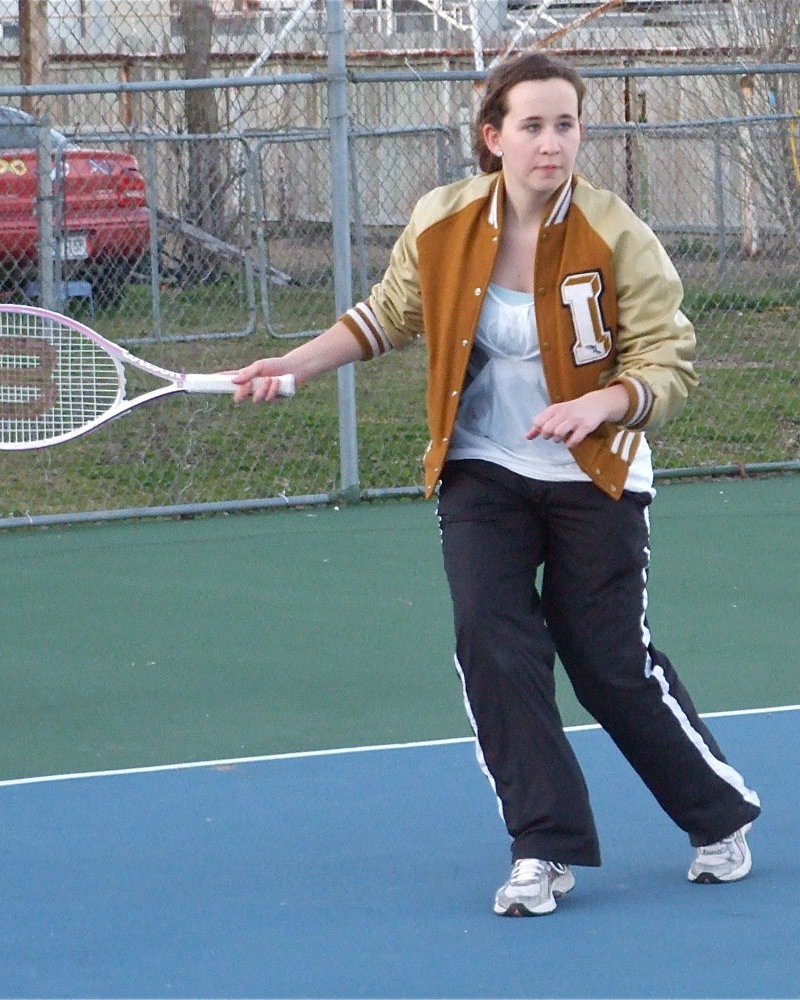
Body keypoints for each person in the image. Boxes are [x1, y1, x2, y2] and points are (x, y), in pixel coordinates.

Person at [230, 51, 761, 917]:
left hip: (597, 476)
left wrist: (604, 403)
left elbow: (669, 363)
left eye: (567, 125)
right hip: (483, 469)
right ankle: (542, 848)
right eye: (533, 125)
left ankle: (716, 817)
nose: (553, 143)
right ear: (494, 136)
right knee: (492, 641)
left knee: (608, 667)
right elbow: (388, 314)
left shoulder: (617, 233)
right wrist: (292, 366)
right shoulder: (444, 220)